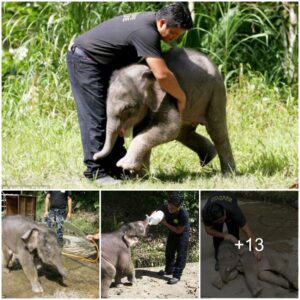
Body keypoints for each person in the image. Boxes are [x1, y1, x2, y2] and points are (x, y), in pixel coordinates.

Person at [66, 3, 193, 184]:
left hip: (104, 64)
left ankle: (116, 167)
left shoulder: (151, 24)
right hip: (85, 60)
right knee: (96, 117)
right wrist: (181, 97)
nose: (173, 39)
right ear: (162, 22)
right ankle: (96, 172)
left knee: (115, 116)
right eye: (173, 33)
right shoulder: (147, 33)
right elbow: (163, 75)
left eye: (178, 36)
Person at [202, 192, 260, 271]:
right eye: (218, 221)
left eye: (222, 220)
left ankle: (235, 256)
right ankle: (219, 260)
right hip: (216, 200)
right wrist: (224, 235)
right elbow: (208, 230)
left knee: (234, 234)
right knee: (217, 237)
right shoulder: (206, 213)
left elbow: (247, 230)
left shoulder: (234, 210)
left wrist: (255, 248)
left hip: (229, 201)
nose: (221, 222)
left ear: (224, 211)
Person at [157, 193, 190, 284]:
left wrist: (165, 223)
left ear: (179, 206)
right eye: (169, 206)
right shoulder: (165, 207)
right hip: (172, 232)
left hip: (182, 233)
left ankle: (176, 276)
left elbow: (179, 230)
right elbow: (155, 212)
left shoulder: (184, 214)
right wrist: (153, 218)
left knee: (181, 255)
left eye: (173, 208)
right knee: (169, 252)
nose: (170, 209)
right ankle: (169, 270)